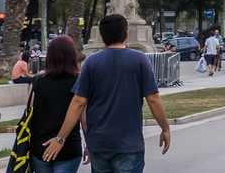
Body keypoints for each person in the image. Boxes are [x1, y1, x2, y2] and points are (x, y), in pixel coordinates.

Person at [42, 14, 171, 171]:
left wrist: (60, 138)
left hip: (99, 143)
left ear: (102, 38)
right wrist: (165, 128)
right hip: (129, 144)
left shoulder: (91, 62)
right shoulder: (140, 60)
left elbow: (79, 102)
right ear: (126, 35)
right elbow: (153, 99)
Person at [28, 35, 85, 173]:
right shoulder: (79, 82)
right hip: (69, 148)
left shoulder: (37, 82)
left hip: (40, 148)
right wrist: (89, 146)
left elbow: (29, 113)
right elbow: (84, 119)